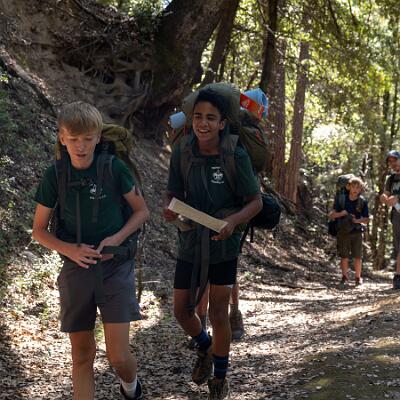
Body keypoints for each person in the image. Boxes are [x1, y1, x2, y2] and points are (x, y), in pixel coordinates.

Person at [32, 102, 150, 400]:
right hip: (76, 268)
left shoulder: (113, 168)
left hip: (115, 267)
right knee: (82, 354)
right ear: (62, 138)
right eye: (73, 139)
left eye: (87, 138)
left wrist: (116, 238)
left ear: (98, 137)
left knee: (118, 356)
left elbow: (141, 212)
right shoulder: (55, 175)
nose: (80, 146)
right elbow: (39, 230)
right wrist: (70, 250)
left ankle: (131, 388)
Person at [163, 88, 262, 399]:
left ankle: (219, 378)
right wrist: (170, 209)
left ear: (222, 123)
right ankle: (205, 347)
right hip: (191, 239)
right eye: (198, 117)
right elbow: (172, 193)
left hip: (224, 243)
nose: (202, 123)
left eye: (210, 118)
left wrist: (233, 222)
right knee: (181, 311)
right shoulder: (182, 150)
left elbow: (255, 201)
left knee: (219, 312)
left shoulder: (235, 154)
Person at [328, 177, 369, 287]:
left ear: (361, 189)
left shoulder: (362, 201)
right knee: (344, 255)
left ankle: (358, 278)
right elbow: (331, 215)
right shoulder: (341, 199)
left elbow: (366, 219)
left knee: (357, 256)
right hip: (343, 231)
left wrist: (357, 220)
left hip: (357, 231)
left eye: (358, 187)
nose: (355, 189)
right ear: (348, 187)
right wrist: (342, 214)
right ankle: (344, 277)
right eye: (353, 187)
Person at [380, 150, 400, 288]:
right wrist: (384, 198)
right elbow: (386, 194)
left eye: (395, 160)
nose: (393, 164)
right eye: (390, 161)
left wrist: (396, 200)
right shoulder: (391, 179)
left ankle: (398, 276)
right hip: (397, 215)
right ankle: (398, 277)